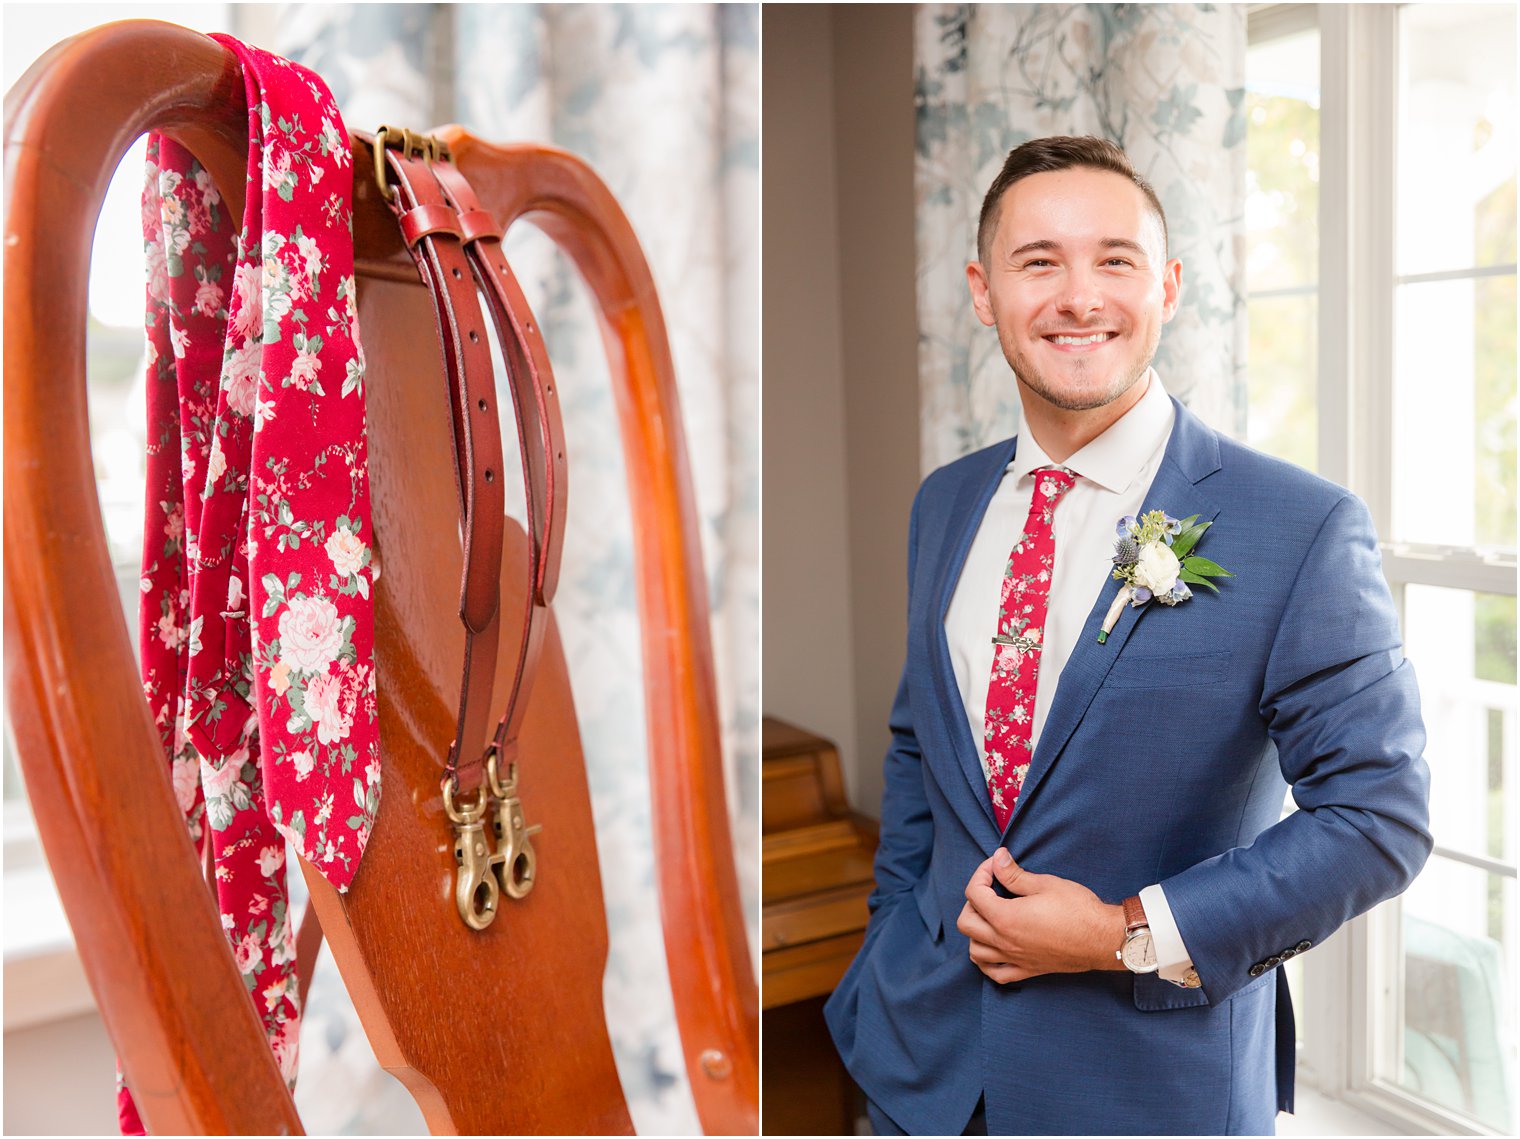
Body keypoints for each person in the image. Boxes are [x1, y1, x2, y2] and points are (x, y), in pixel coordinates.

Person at [822, 135, 1431, 1136]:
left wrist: (1118, 931)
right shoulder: (944, 502)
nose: (1078, 296)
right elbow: (915, 745)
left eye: (1113, 259)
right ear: (982, 292)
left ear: (1168, 286)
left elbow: (1377, 817)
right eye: (1038, 262)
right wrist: (893, 933)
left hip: (1149, 1089)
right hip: (917, 1068)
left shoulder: (1300, 526)